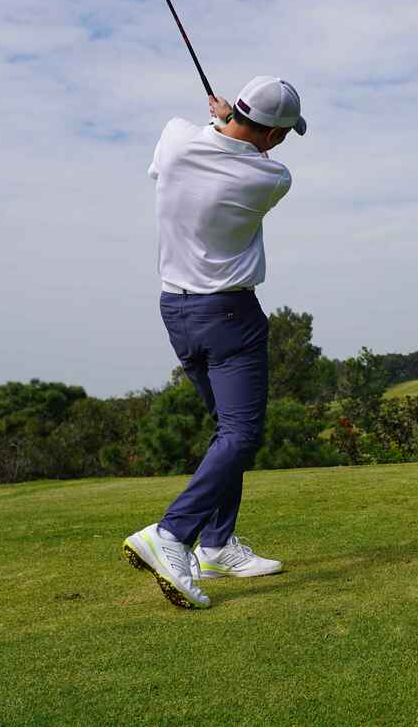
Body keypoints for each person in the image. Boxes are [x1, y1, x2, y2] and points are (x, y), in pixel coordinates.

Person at [122, 75, 307, 609]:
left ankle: (218, 545)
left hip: (176, 310)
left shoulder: (175, 137)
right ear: (273, 136)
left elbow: (187, 154)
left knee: (226, 431)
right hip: (230, 315)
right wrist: (225, 122)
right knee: (242, 435)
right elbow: (246, 151)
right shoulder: (271, 178)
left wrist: (217, 122)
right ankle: (172, 534)